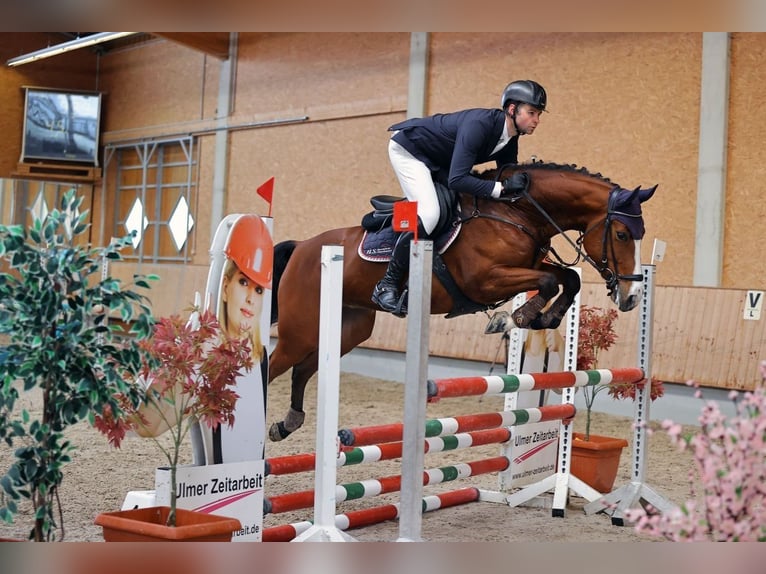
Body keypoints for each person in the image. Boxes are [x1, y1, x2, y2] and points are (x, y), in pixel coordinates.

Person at [371, 79, 548, 316]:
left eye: (538, 114)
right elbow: (458, 180)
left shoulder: (510, 136)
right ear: (512, 109)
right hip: (411, 152)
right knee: (431, 214)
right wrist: (501, 189)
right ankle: (387, 285)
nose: (536, 120)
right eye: (532, 113)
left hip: (440, 160)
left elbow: (507, 172)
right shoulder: (480, 125)